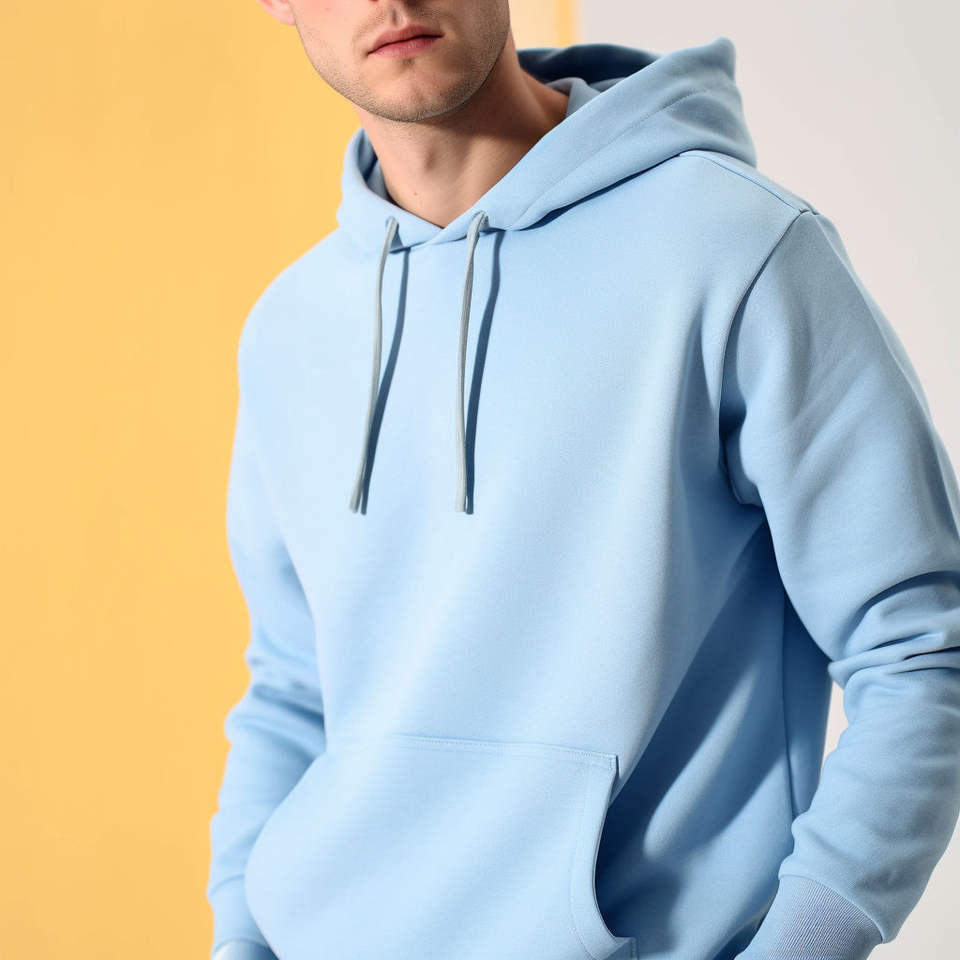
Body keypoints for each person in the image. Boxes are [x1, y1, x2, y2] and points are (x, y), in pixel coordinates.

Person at [205, 3, 960, 960]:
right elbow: (290, 692)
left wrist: (803, 943)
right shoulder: (290, 328)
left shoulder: (732, 249)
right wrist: (240, 941)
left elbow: (920, 649)